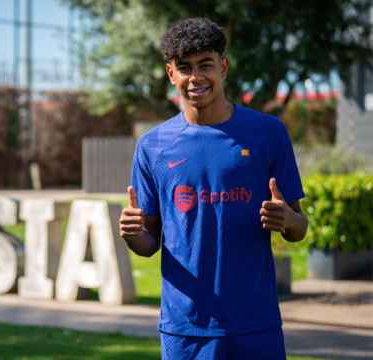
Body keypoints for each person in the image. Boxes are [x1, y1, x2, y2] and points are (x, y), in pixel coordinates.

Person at [119, 17, 308, 360]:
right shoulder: (153, 146)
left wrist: (288, 220)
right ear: (170, 73)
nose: (196, 77)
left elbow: (300, 227)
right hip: (185, 328)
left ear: (223, 66)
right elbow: (148, 244)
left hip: (256, 323)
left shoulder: (268, 133)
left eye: (205, 65)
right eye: (185, 67)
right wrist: (133, 234)